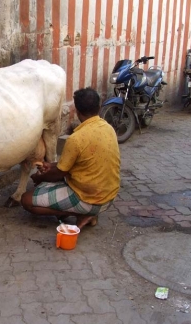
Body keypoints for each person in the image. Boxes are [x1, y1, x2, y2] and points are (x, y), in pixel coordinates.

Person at [21, 87, 120, 229]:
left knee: (26, 200)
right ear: (99, 107)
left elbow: (59, 173)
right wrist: (52, 166)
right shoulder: (108, 128)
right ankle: (86, 211)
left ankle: (81, 213)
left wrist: (40, 177)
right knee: (46, 185)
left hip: (89, 199)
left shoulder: (76, 139)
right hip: (109, 197)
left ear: (77, 112)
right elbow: (74, 164)